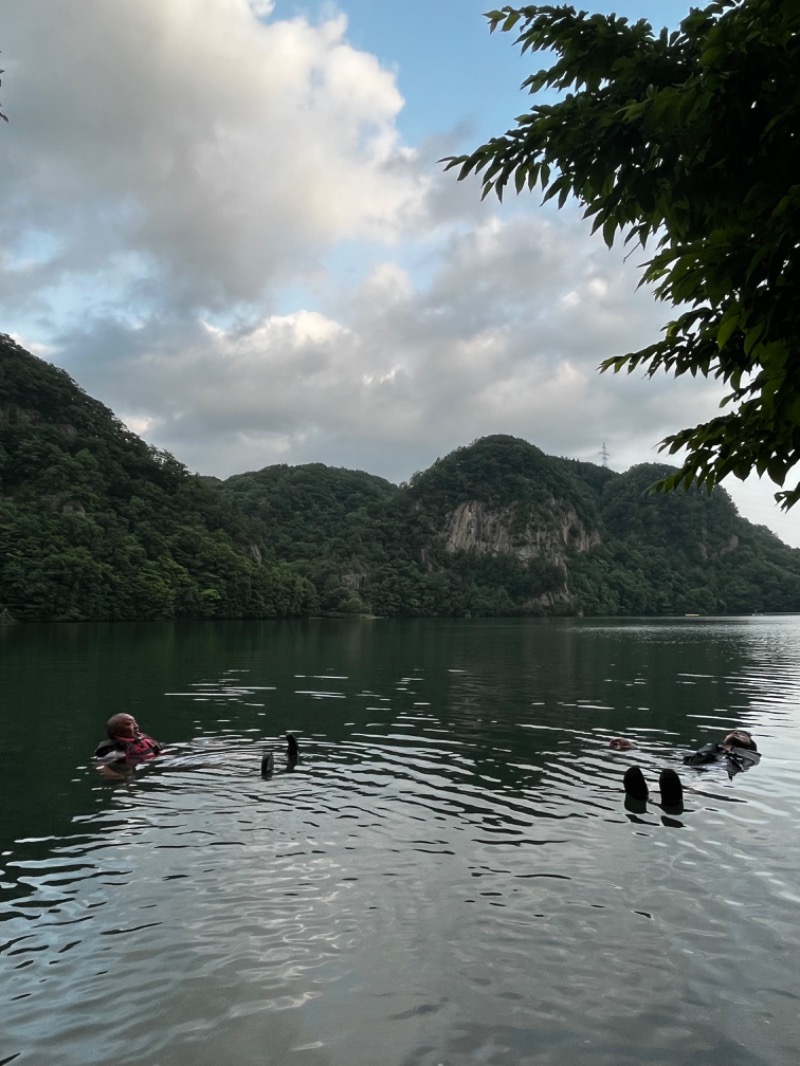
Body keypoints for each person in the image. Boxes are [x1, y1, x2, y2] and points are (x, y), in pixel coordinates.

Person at [622, 729, 760, 813]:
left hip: (715, 774)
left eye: (742, 735)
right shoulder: (708, 751)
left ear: (751, 746)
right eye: (734, 732)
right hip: (691, 771)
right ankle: (643, 793)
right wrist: (634, 747)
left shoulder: (749, 758)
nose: (737, 733)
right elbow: (674, 754)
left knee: (700, 786)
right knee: (668, 776)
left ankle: (675, 803)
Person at [94, 713, 164, 778]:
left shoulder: (144, 740)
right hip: (132, 774)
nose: (136, 726)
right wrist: (117, 777)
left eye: (135, 722)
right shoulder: (118, 751)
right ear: (117, 732)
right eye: (129, 724)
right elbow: (100, 766)